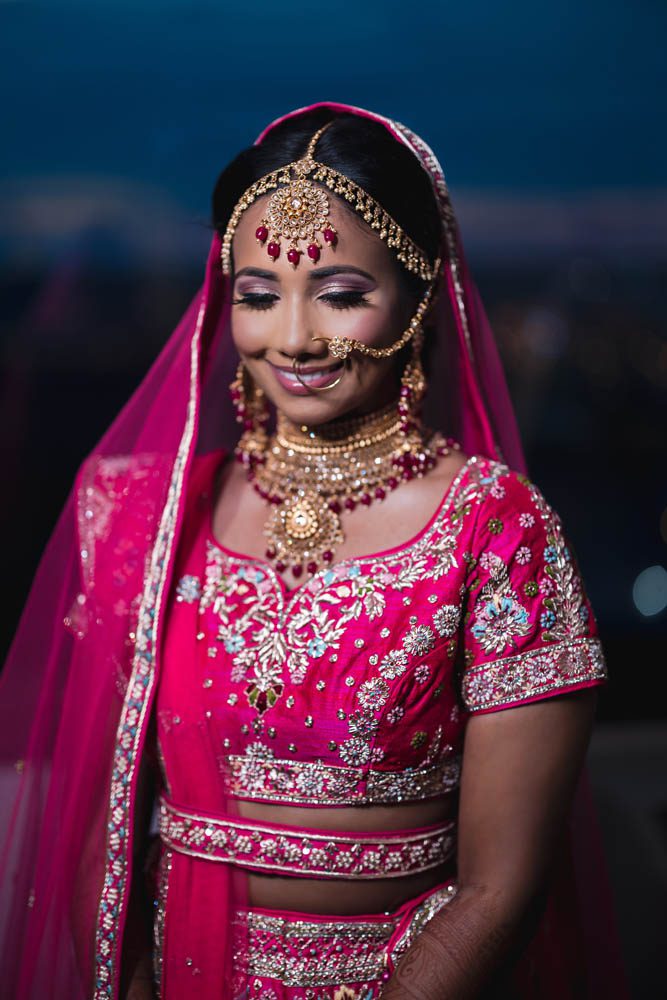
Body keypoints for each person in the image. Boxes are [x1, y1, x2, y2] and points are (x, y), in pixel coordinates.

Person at [0, 103, 627, 1000]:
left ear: (418, 293)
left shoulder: (494, 527)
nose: (292, 338)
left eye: (339, 293)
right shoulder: (143, 516)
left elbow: (499, 889)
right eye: (258, 296)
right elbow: (98, 830)